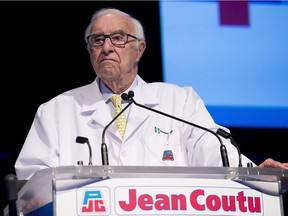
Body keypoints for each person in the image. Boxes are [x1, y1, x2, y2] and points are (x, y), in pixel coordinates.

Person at [14, 7, 288, 180]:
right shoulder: (55, 111)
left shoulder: (179, 101)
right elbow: (31, 183)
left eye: (118, 38)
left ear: (140, 49)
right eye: (98, 40)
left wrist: (257, 173)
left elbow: (216, 151)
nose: (107, 47)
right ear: (90, 50)